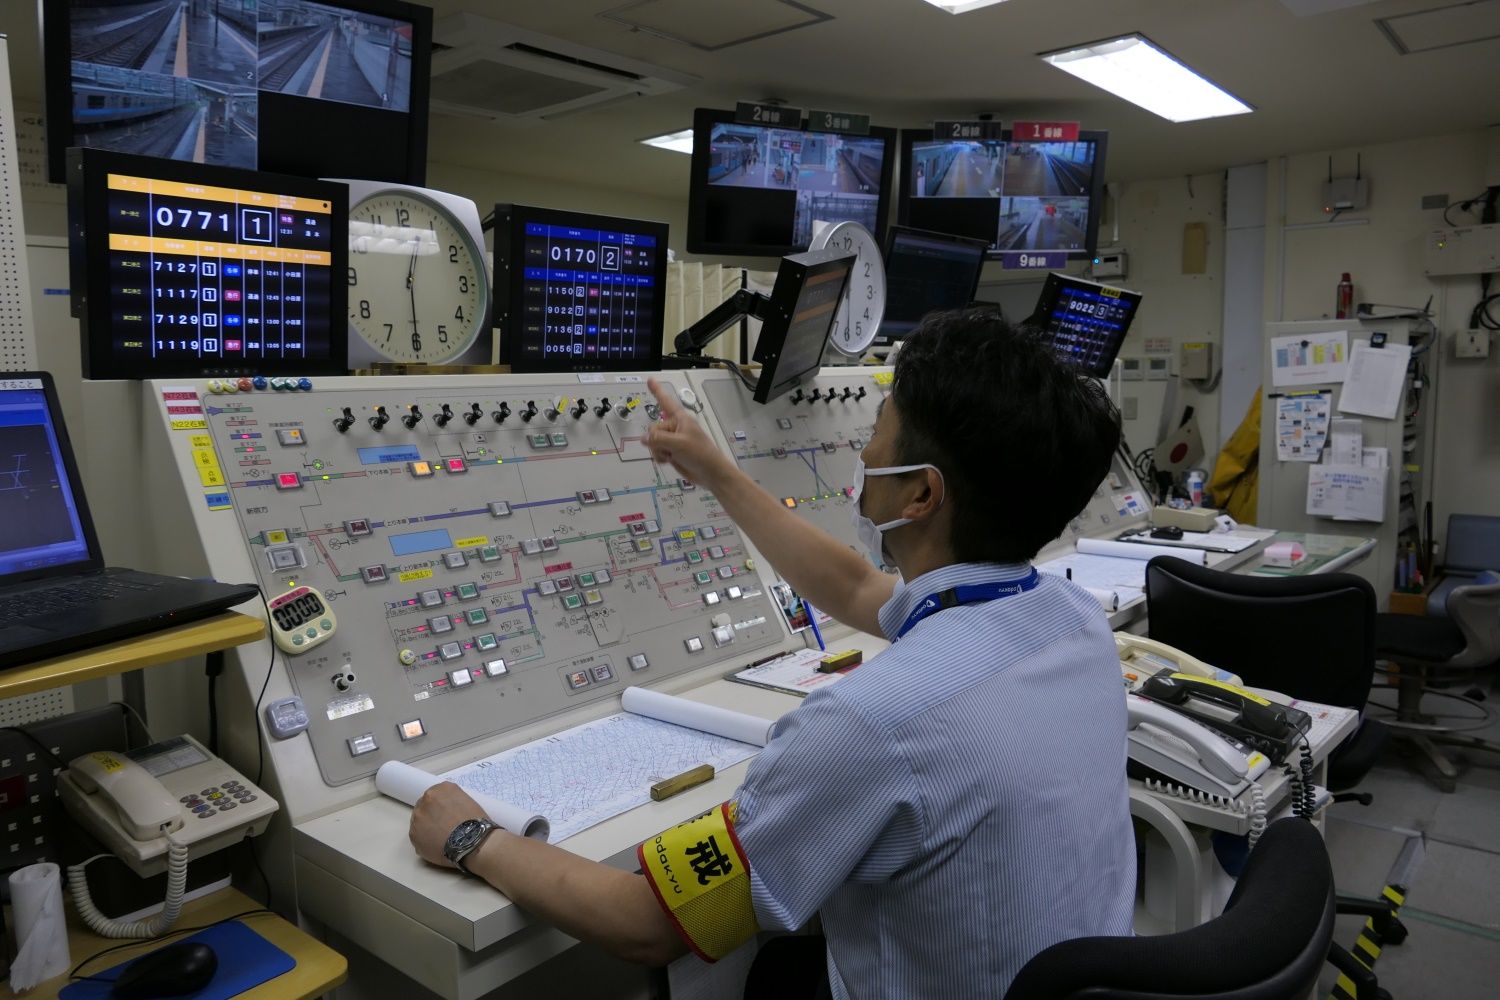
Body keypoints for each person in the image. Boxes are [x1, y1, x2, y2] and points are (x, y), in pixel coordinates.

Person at [409, 309, 1135, 997]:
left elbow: (648, 924)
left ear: (920, 494)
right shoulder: (1070, 618)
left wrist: (473, 838)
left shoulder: (872, 723)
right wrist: (717, 471)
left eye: (878, 430)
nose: (862, 450)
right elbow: (854, 587)